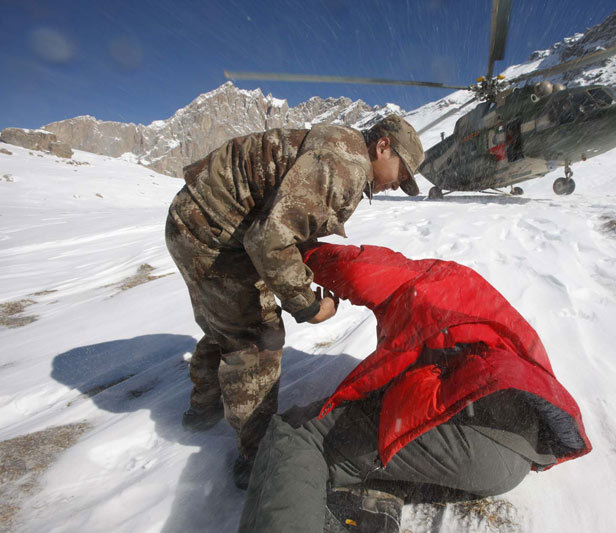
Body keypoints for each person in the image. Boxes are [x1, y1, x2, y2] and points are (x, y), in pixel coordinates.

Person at [238, 243, 592, 532]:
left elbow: (354, 268)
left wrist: (295, 252)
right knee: (369, 440)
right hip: (515, 459)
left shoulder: (425, 278)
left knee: (299, 434)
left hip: (469, 433)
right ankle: (366, 494)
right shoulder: (487, 307)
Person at [165, 115, 425, 487]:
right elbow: (269, 240)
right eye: (402, 173)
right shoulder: (346, 167)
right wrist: (308, 305)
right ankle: (255, 457)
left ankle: (203, 408)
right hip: (212, 233)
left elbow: (288, 223)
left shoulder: (341, 148)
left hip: (196, 220)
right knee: (256, 339)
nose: (398, 184)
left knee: (227, 321)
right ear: (383, 146)